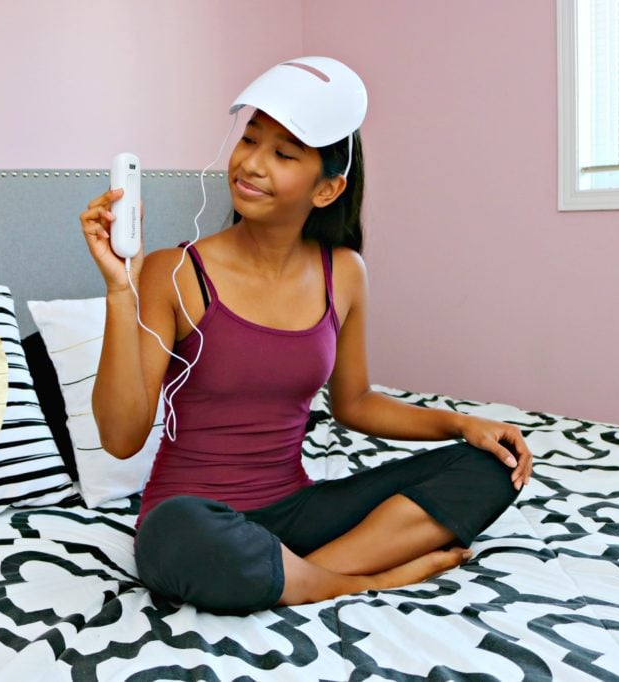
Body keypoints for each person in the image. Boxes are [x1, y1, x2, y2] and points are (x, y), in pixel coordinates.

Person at [79, 57, 532, 614]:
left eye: (283, 153)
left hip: (297, 513)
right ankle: (362, 578)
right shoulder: (173, 271)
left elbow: (356, 402)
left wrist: (462, 423)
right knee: (176, 530)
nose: (251, 164)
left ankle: (303, 575)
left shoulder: (343, 272)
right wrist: (120, 291)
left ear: (327, 189)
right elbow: (121, 437)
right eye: (249, 138)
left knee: (494, 465)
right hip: (194, 519)